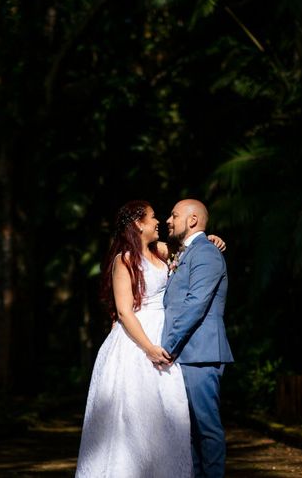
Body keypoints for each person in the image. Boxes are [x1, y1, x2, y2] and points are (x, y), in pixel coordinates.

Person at [75, 200, 225, 478]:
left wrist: (212, 238)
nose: (160, 221)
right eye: (154, 217)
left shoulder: (163, 251)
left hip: (165, 334)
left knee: (168, 414)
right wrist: (149, 348)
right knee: (133, 414)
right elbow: (123, 310)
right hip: (139, 340)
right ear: (138, 224)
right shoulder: (124, 260)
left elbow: (192, 250)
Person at [159, 198, 234, 478]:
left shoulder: (206, 253)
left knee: (206, 429)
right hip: (184, 354)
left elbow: (195, 304)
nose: (168, 220)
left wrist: (166, 348)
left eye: (174, 215)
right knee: (188, 433)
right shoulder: (185, 253)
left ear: (192, 220)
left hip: (200, 353)